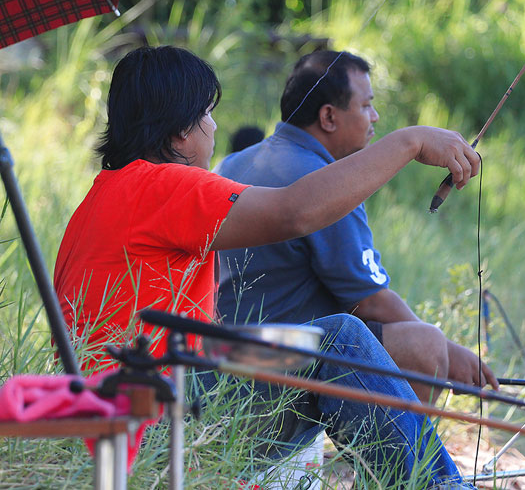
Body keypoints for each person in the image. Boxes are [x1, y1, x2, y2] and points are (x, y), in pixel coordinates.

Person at [53, 45, 480, 488]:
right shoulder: (165, 185)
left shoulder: (102, 196)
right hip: (158, 416)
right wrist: (409, 141)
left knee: (313, 341)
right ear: (181, 131)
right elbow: (294, 211)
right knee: (339, 340)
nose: (215, 126)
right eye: (206, 113)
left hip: (125, 408)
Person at [215, 50, 499, 403]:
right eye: (366, 106)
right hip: (260, 370)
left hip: (214, 359)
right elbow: (370, 302)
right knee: (423, 347)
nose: (374, 116)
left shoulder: (232, 162)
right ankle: (402, 460)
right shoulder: (323, 183)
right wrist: (445, 352)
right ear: (329, 117)